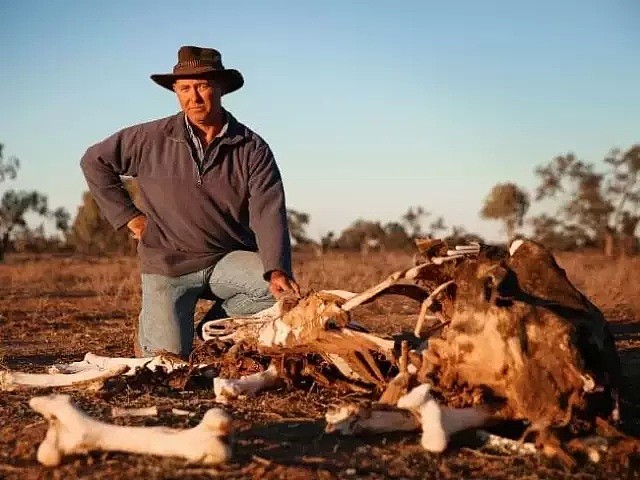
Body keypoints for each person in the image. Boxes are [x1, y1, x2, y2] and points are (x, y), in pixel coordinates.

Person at [80, 45, 300, 359]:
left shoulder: (252, 148)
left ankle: (211, 329)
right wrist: (129, 216)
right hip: (168, 263)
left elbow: (269, 212)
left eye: (202, 86)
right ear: (175, 91)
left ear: (221, 88)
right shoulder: (149, 138)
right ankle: (154, 329)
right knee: (168, 362)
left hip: (226, 257)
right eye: (184, 88)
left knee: (279, 296)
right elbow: (94, 161)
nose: (193, 97)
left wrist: (277, 270)